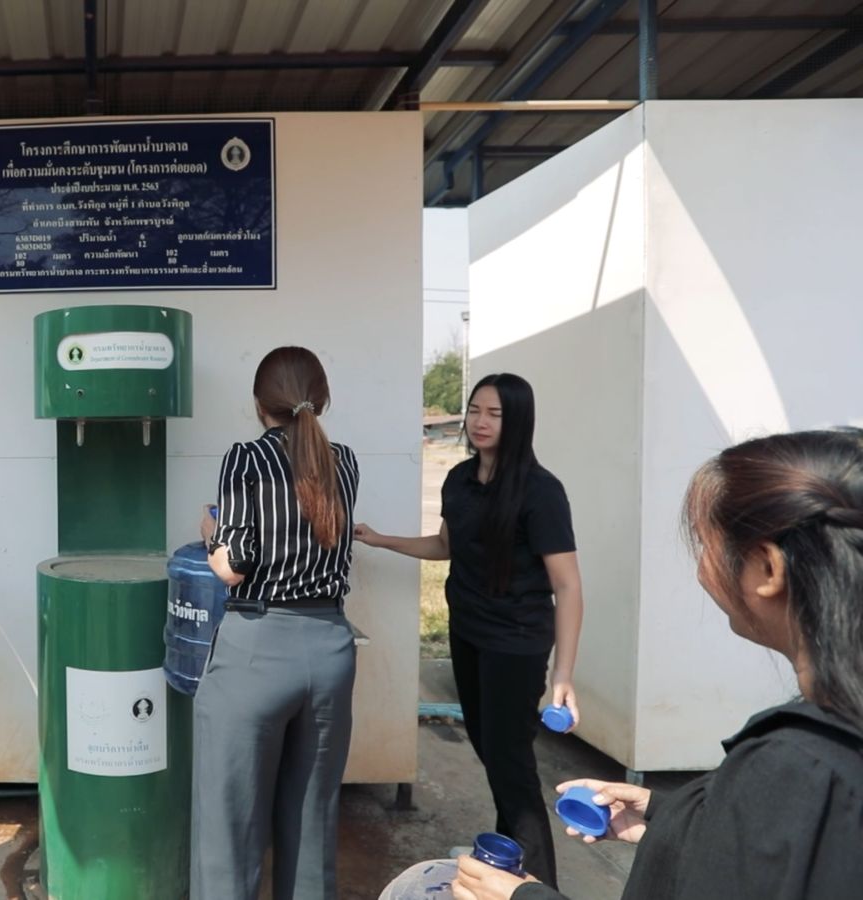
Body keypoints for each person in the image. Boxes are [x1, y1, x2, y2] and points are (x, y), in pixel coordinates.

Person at [453, 428, 863, 900]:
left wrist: (522, 897)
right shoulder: (828, 744)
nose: (701, 567)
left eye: (706, 544)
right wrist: (671, 814)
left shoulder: (794, 767)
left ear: (768, 570)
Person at [356, 373, 583, 887]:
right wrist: (382, 540)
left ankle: (539, 887)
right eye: (475, 410)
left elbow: (568, 585)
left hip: (516, 642)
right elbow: (446, 546)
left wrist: (563, 675)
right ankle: (509, 867)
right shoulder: (459, 480)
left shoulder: (541, 492)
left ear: (517, 420)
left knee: (511, 766)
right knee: (492, 753)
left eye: (494, 414)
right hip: (468, 632)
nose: (480, 422)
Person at [192, 346, 360, 900]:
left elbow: (233, 568)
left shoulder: (246, 458)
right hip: (330, 649)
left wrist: (211, 534)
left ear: (259, 404)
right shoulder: (345, 461)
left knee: (229, 832)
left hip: (257, 651)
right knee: (312, 824)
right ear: (322, 399)